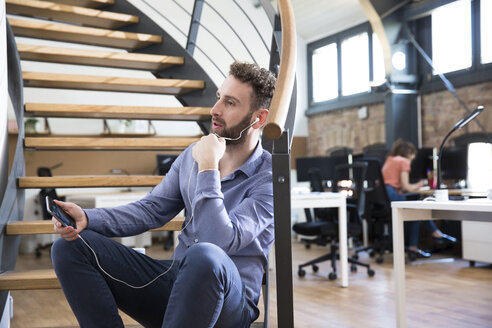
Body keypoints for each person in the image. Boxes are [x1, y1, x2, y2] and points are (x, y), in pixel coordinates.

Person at [50, 61, 277, 328]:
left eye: (230, 103)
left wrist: (208, 168)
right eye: (218, 98)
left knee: (205, 256)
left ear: (258, 118)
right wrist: (88, 218)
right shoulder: (191, 156)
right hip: (176, 283)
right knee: (70, 247)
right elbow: (151, 209)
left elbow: (218, 242)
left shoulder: (269, 177)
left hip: (229, 306)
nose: (214, 110)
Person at [382, 139, 456, 261]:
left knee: (415, 213)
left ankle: (426, 240)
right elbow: (406, 186)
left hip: (385, 196)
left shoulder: (390, 159)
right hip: (392, 195)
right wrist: (419, 185)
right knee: (417, 213)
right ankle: (430, 237)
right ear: (409, 153)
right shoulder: (404, 161)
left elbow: (397, 186)